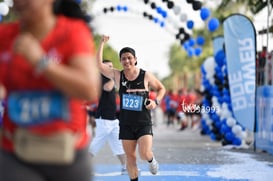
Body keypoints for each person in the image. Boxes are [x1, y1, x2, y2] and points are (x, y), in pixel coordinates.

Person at [0, 0, 100, 181]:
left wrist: (41, 62)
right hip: (16, 153)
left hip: (68, 155)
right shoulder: (5, 35)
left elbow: (89, 89)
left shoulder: (72, 32)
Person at [96, 35, 166, 181]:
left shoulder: (145, 75)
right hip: (126, 124)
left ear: (135, 59)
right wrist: (102, 43)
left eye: (129, 57)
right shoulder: (118, 76)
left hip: (143, 123)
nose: (127, 61)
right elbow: (99, 66)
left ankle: (152, 160)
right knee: (131, 158)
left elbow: (161, 88)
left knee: (144, 153)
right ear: (120, 61)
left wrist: (156, 102)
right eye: (123, 58)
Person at [89, 60, 127, 175]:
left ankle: (125, 167)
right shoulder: (101, 79)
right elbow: (107, 88)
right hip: (103, 119)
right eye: (108, 67)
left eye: (112, 66)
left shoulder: (110, 79)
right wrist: (113, 76)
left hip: (113, 119)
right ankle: (79, 167)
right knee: (96, 145)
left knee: (118, 144)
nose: (111, 68)